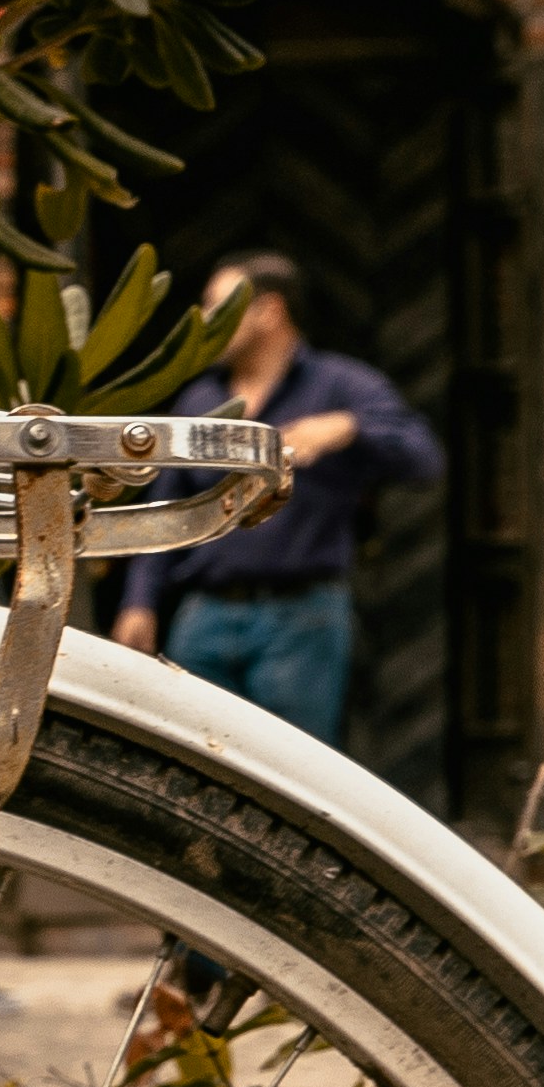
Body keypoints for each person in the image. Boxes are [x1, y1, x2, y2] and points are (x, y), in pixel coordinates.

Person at [110, 251, 442, 740]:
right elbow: (163, 508)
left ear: (268, 311)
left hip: (300, 616)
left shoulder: (340, 386)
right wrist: (139, 602)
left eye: (216, 306)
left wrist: (349, 427)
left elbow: (424, 459)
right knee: (188, 755)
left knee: (290, 771)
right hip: (204, 615)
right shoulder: (200, 401)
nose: (203, 322)